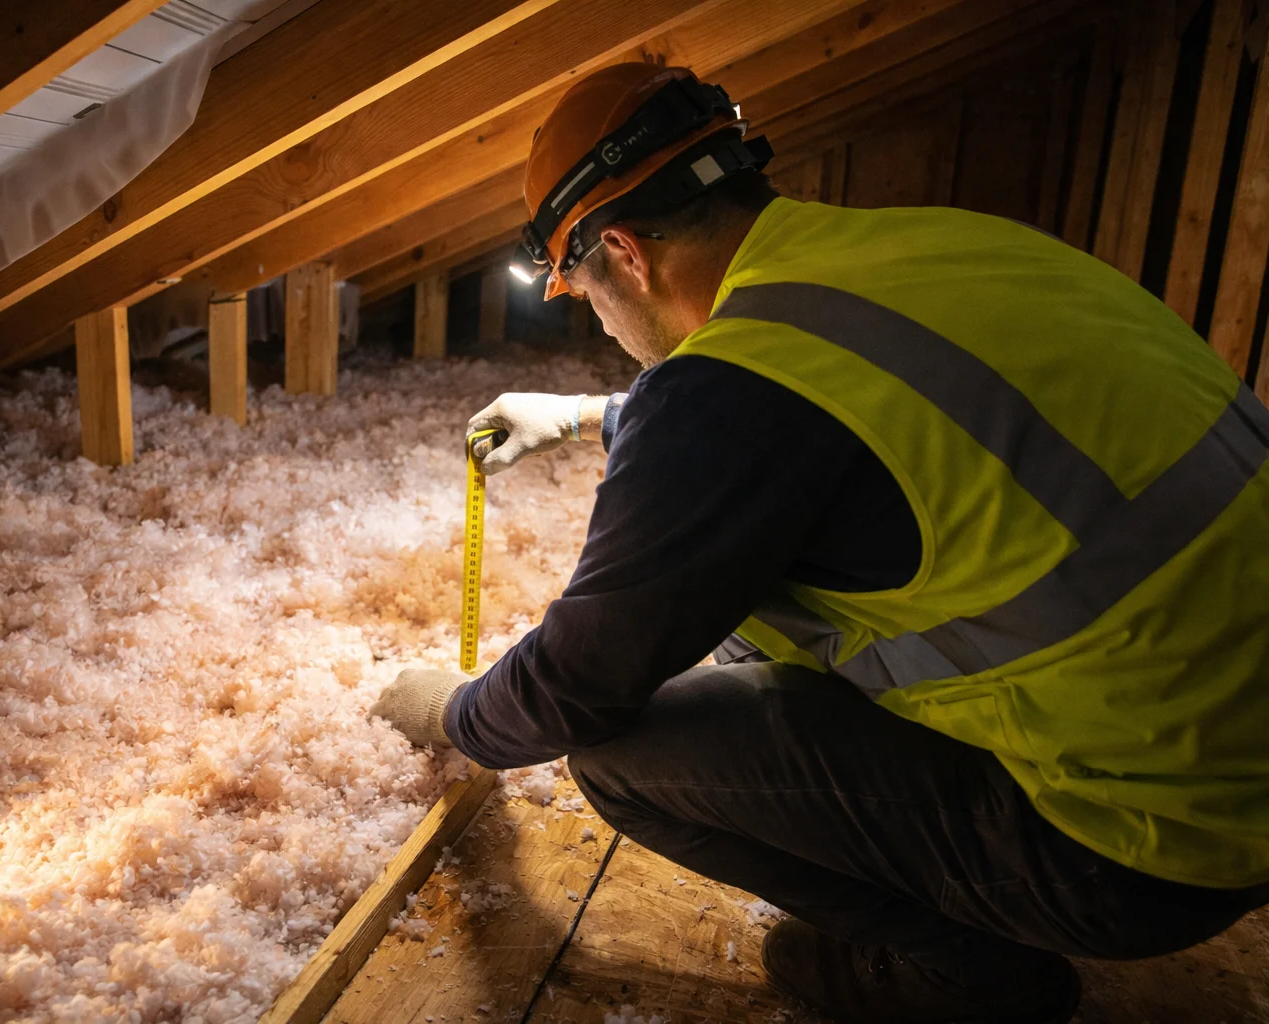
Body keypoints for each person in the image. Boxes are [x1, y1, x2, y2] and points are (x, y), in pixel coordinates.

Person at [369, 62, 1269, 1024]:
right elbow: (841, 413)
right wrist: (592, 415)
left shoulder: (731, 396)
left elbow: (578, 685)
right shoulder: (933, 244)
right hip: (1221, 746)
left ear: (624, 255)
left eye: (582, 294)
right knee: (752, 610)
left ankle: (969, 973)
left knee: (618, 755)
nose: (596, 316)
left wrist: (459, 714)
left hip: (1148, 847)